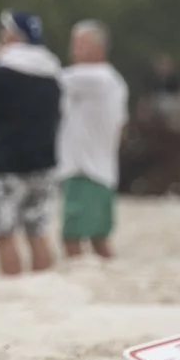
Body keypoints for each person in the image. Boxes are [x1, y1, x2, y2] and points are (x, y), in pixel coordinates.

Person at [0, 11, 63, 275]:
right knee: (37, 231)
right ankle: (42, 286)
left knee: (2, 232)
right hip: (45, 162)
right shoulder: (52, 73)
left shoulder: (0, 74)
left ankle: (14, 290)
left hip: (7, 162)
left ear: (14, 36)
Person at [57, 20, 131, 260]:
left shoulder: (95, 78)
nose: (74, 49)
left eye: (80, 44)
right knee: (98, 237)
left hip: (85, 170)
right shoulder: (114, 81)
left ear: (99, 48)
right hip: (100, 168)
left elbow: (48, 78)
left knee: (72, 238)